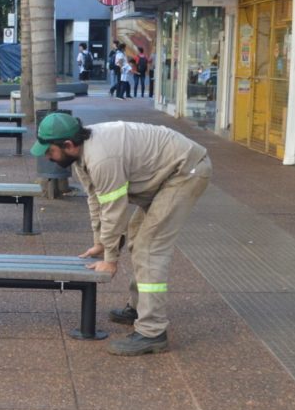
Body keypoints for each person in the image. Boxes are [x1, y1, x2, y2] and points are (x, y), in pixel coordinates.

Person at [30, 114, 212, 356]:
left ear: (68, 145)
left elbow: (114, 210)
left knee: (149, 247)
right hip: (164, 172)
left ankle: (152, 332)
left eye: (49, 151)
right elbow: (96, 200)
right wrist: (101, 244)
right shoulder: (81, 155)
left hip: (185, 172)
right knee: (137, 237)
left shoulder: (102, 159)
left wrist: (111, 260)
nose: (46, 157)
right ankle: (139, 308)